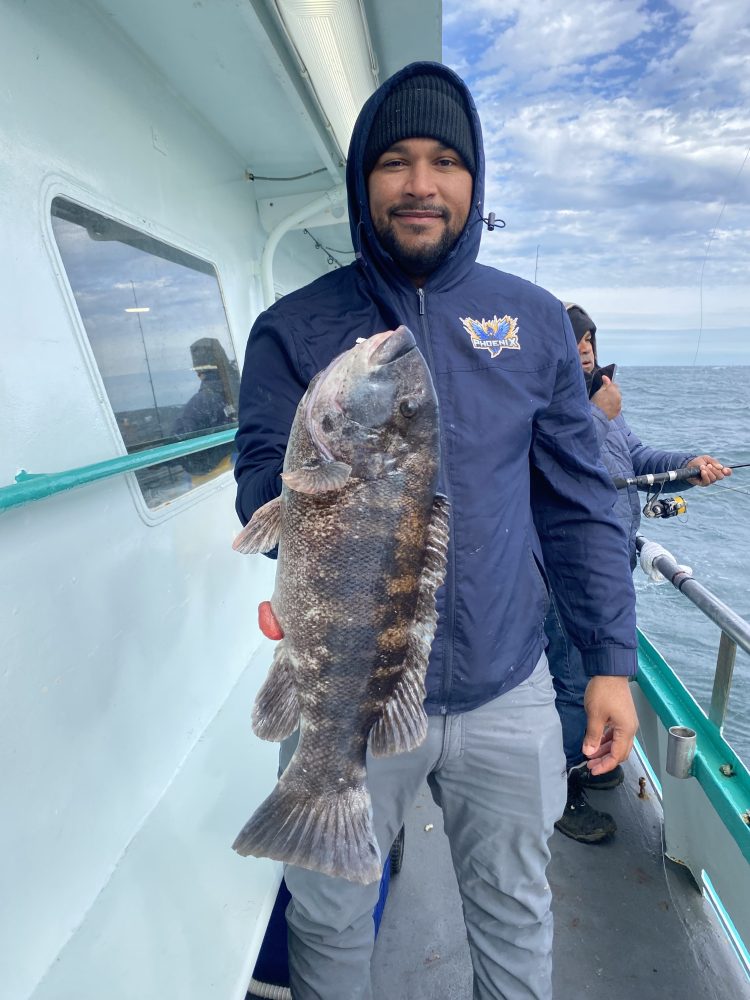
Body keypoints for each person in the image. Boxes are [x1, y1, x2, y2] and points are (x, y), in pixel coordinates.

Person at [234, 62, 639, 1000]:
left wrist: (608, 663)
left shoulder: (534, 321)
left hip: (506, 686)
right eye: (396, 161)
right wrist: (310, 512)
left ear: (475, 182)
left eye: (445, 161)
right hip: (348, 696)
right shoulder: (292, 328)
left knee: (515, 907)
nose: (420, 183)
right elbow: (262, 477)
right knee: (328, 918)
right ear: (362, 182)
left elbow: (577, 505)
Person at [548, 302, 731, 844]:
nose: (586, 353)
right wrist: (600, 416)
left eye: (591, 344)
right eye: (576, 344)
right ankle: (559, 789)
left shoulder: (601, 400)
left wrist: (689, 470)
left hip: (607, 566)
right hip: (569, 572)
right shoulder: (554, 404)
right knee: (571, 682)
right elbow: (586, 478)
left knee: (589, 676)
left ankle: (582, 762)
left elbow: (636, 462)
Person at [173, 337, 240, 479]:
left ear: (200, 373)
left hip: (212, 472)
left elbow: (180, 442)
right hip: (238, 463)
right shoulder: (239, 389)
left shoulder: (199, 402)